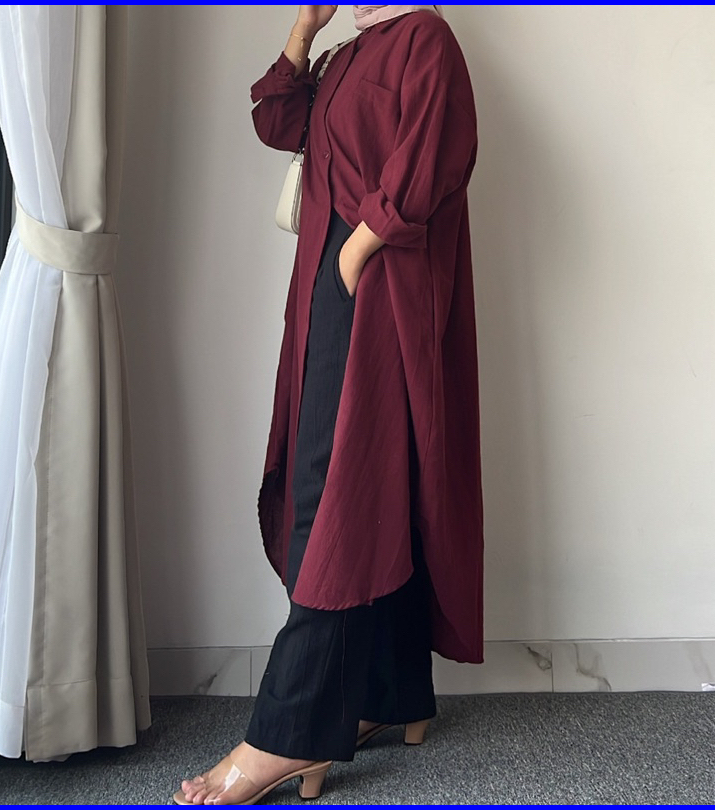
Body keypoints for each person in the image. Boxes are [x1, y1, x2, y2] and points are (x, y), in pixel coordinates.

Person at [173, 4, 483, 805]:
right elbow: (278, 123)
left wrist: (357, 249)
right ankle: (390, 694)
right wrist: (305, 30)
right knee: (369, 482)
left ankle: (288, 733)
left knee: (333, 493)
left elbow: (433, 159)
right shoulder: (350, 50)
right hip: (330, 292)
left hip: (378, 294)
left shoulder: (425, 39)